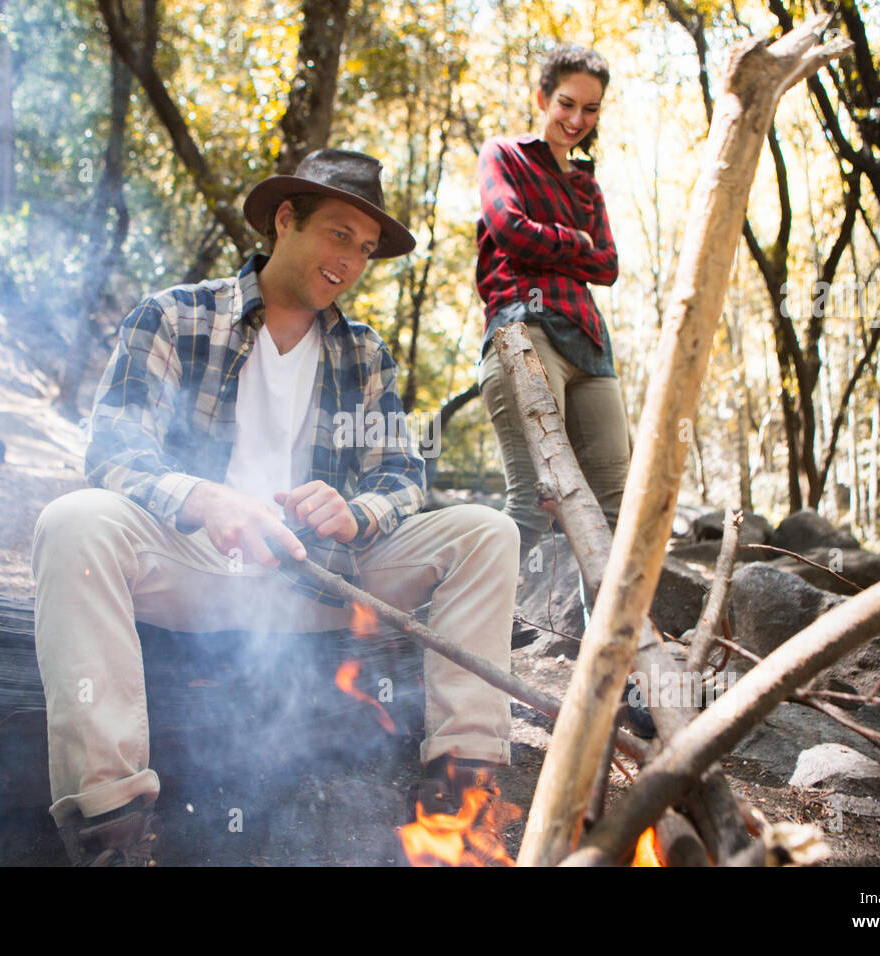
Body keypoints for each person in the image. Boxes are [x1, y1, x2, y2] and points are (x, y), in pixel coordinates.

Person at [32, 149, 519, 866]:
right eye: (338, 234)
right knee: (71, 523)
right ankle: (113, 834)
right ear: (286, 220)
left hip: (321, 580)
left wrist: (356, 513)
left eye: (365, 248)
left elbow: (403, 476)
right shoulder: (175, 317)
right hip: (195, 571)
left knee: (487, 532)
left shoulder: (365, 356)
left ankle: (465, 812)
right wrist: (203, 498)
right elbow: (112, 449)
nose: (350, 260)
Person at [475, 45, 631, 568]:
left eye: (591, 110)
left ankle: (606, 645)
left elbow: (608, 266)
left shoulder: (587, 184)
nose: (577, 119)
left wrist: (566, 247)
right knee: (534, 504)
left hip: (590, 345)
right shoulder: (504, 155)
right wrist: (577, 243)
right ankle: (455, 632)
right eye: (567, 103)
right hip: (525, 331)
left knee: (613, 503)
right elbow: (512, 233)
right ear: (543, 97)